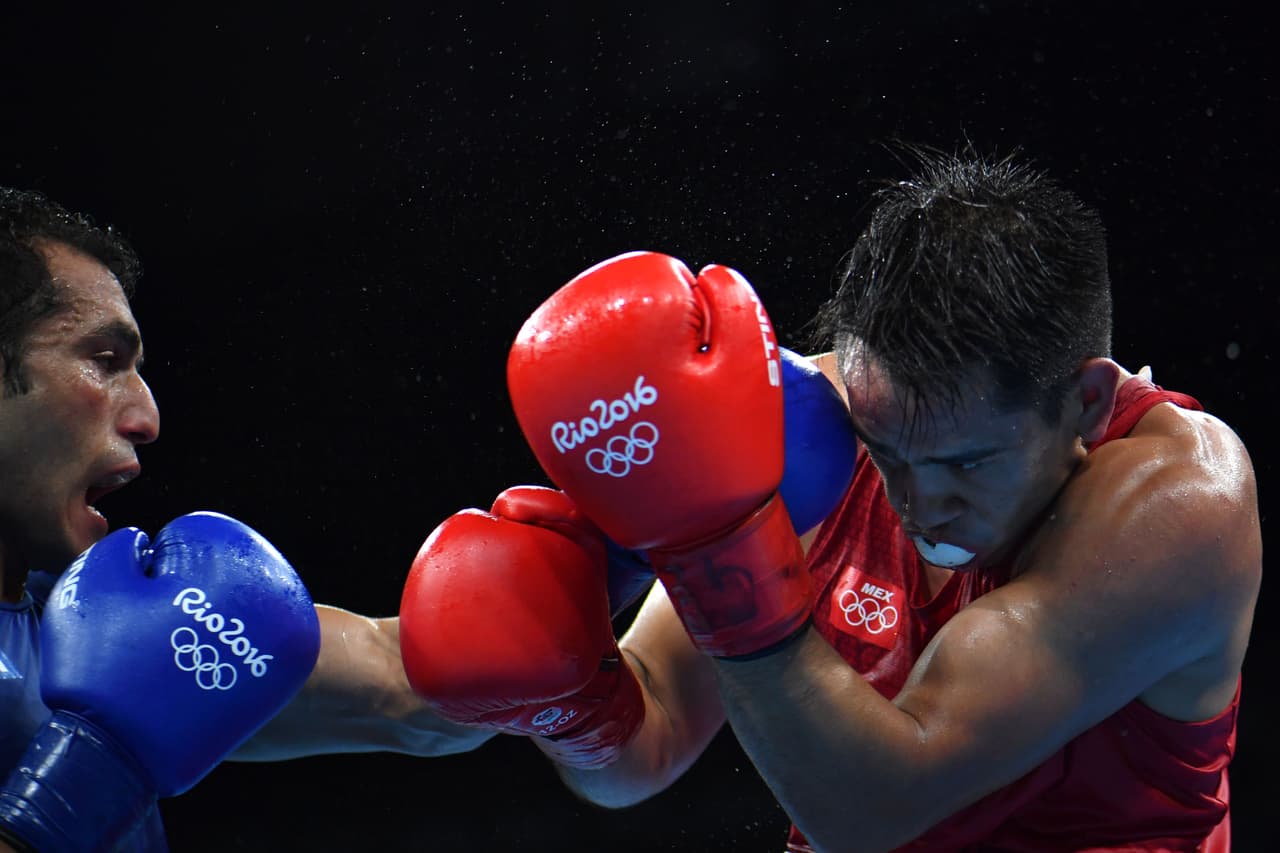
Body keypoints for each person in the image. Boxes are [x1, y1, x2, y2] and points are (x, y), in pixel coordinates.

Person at [402, 151, 1262, 851]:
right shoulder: (814, 433)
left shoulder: (1181, 505)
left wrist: (719, 561)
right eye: (887, 451)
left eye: (965, 462)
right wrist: (577, 709)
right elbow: (646, 744)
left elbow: (878, 808)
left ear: (1086, 401)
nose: (919, 503)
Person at [0, 187, 493, 850]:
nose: (147, 418)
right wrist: (96, 768)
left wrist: (619, 532)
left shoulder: (82, 626)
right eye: (104, 360)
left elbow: (420, 691)